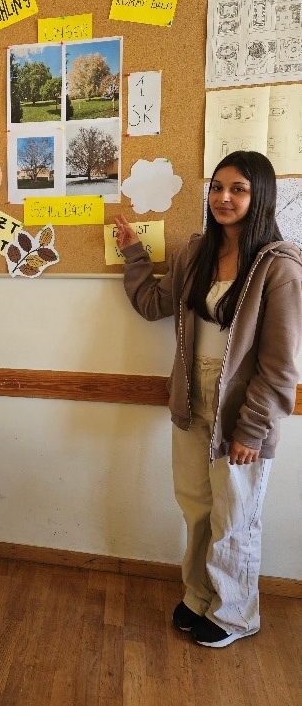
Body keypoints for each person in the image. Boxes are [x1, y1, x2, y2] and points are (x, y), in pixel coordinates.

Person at [114, 150, 302, 648]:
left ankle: (236, 613)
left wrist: (252, 430)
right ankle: (199, 595)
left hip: (241, 407)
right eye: (217, 187)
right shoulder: (196, 253)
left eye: (238, 189)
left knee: (234, 515)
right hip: (191, 394)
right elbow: (155, 304)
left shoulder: (279, 267)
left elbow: (280, 366)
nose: (223, 198)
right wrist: (134, 255)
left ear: (260, 196)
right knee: (196, 506)